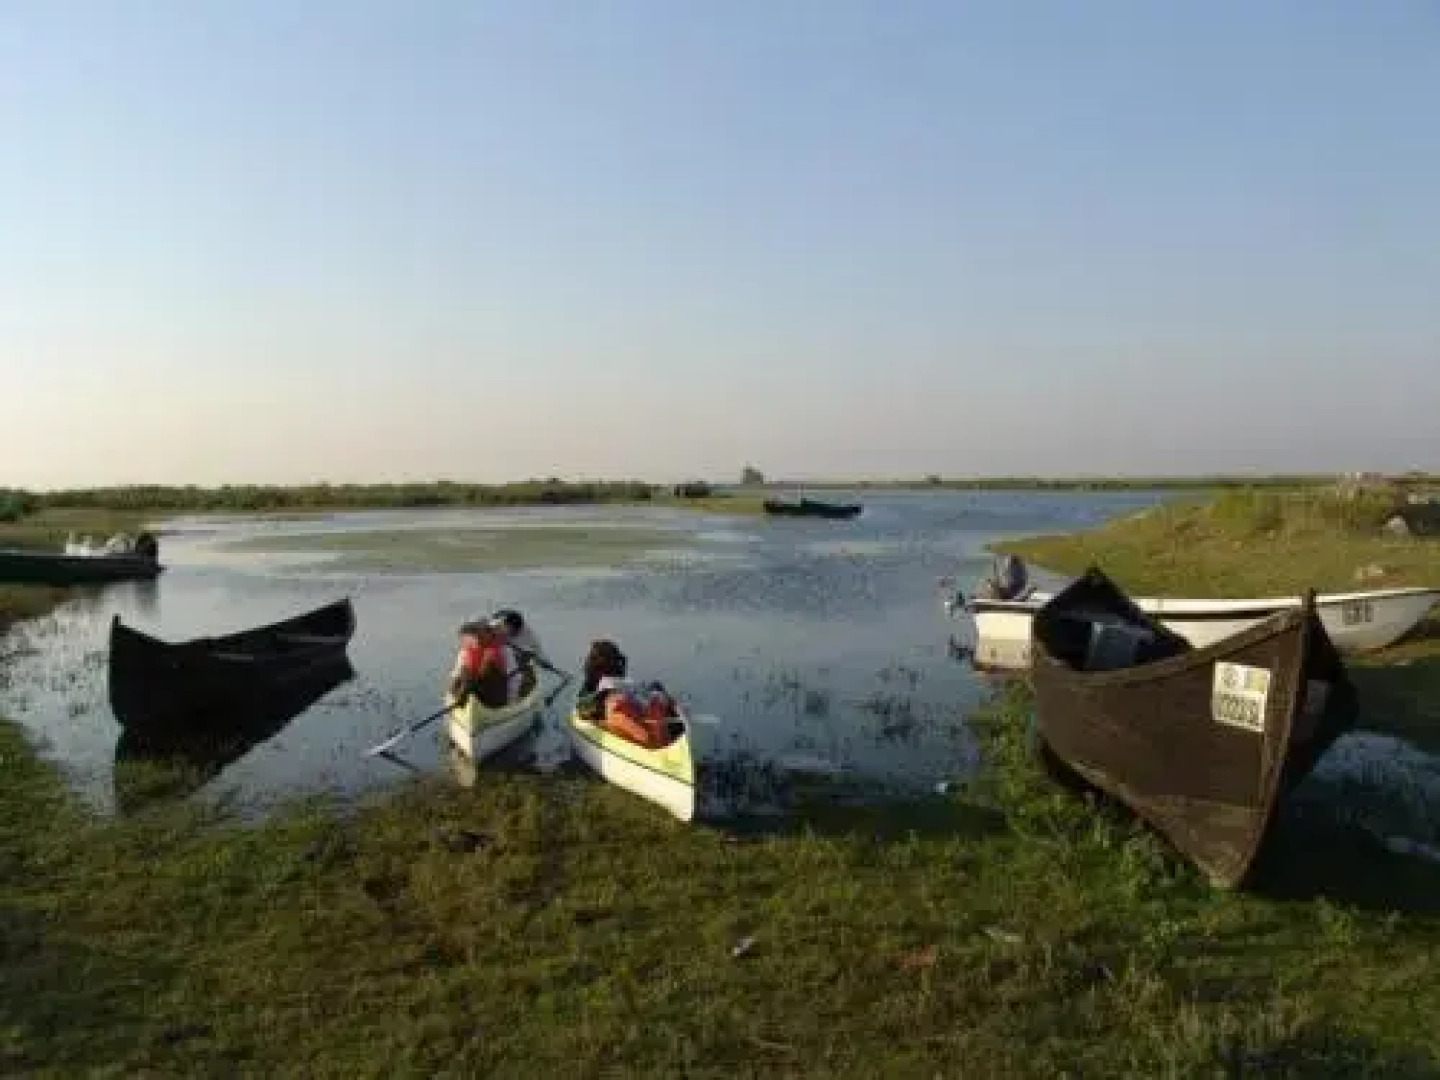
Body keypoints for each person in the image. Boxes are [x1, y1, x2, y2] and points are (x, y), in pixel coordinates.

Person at [576, 638, 677, 749]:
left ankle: (658, 740)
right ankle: (655, 740)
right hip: (615, 711)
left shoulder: (614, 677)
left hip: (632, 712)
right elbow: (584, 705)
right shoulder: (596, 684)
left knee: (655, 694)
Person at [448, 620, 519, 710]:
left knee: (489, 666)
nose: (477, 640)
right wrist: (453, 695)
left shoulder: (504, 650)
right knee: (464, 671)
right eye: (473, 636)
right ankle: (463, 701)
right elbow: (457, 674)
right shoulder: (466, 651)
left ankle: (471, 701)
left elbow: (515, 679)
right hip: (472, 692)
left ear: (489, 634)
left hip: (494, 696)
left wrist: (511, 702)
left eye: (479, 635)